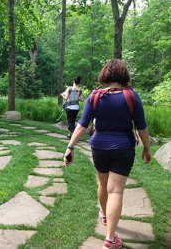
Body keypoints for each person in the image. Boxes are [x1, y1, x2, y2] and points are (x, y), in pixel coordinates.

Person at [63, 59, 151, 249]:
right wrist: (146, 148)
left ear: (105, 75)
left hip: (99, 147)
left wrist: (69, 148)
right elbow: (142, 127)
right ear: (123, 75)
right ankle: (110, 239)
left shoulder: (95, 95)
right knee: (116, 191)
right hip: (123, 148)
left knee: (102, 184)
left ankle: (104, 213)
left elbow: (82, 125)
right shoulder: (131, 96)